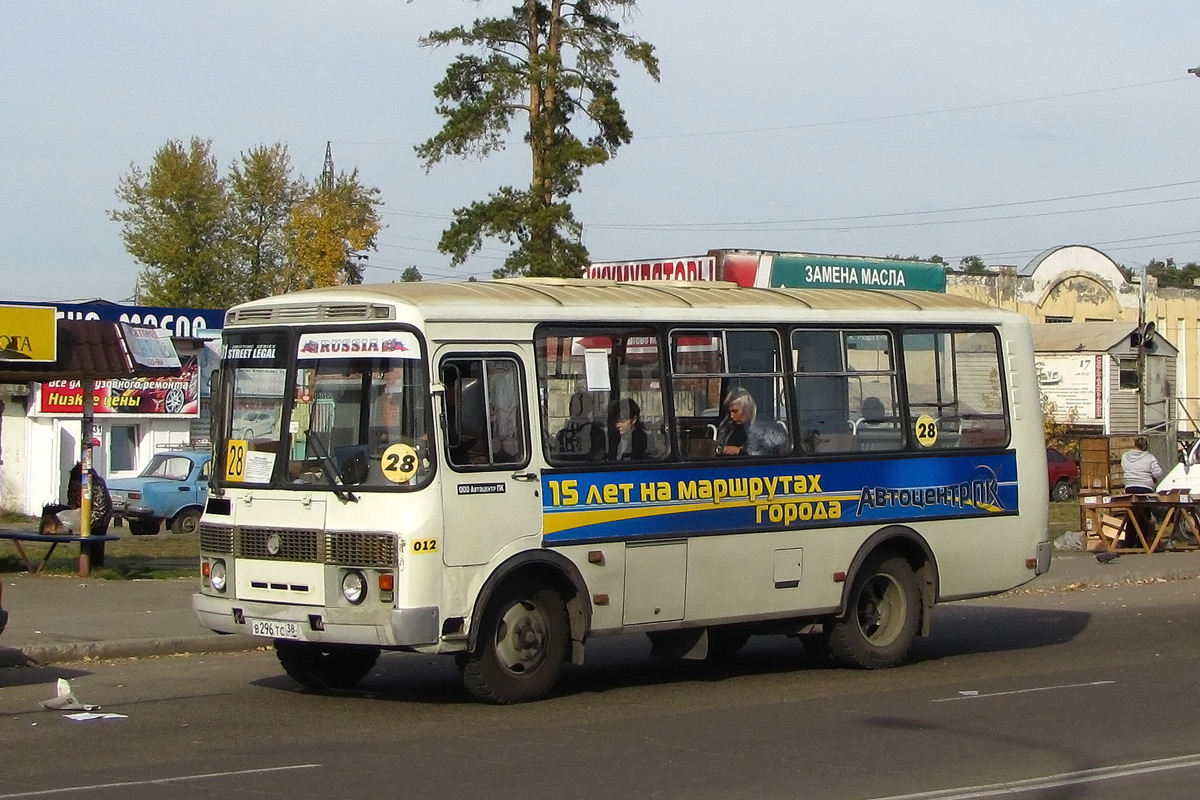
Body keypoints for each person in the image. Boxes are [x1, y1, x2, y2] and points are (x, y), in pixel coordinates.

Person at [1121, 436, 1163, 549]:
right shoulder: (1149, 458)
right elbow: (1158, 472)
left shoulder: (1125, 456)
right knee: (1145, 516)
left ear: (1134, 444)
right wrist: (1151, 476)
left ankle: (1129, 542)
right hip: (1145, 488)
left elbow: (1124, 467)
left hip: (1130, 488)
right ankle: (1142, 543)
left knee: (1132, 515)